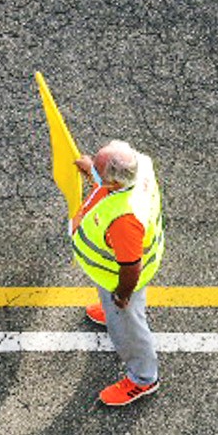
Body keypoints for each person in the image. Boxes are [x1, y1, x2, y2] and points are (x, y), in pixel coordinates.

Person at [71, 139, 166, 407]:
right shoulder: (141, 166)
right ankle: (110, 310)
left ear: (113, 184)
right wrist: (92, 170)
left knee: (128, 324)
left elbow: (130, 267)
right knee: (117, 311)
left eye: (99, 169)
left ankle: (143, 379)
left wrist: (122, 296)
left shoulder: (124, 221)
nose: (94, 168)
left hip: (120, 279)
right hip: (114, 271)